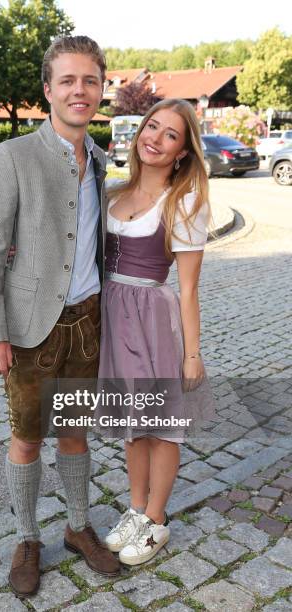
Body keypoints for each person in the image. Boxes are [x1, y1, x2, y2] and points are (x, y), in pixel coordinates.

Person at [0, 35, 120, 597]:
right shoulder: (14, 157)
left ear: (102, 88)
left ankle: (79, 528)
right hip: (31, 330)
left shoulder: (102, 161)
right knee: (27, 438)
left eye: (90, 80)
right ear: (48, 90)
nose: (80, 91)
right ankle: (27, 538)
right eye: (68, 81)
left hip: (87, 324)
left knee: (77, 434)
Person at [99, 98, 211, 566]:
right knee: (132, 423)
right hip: (112, 314)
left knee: (162, 426)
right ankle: (136, 508)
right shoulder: (113, 194)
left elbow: (187, 289)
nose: (155, 138)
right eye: (152, 126)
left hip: (152, 317)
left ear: (183, 151)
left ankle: (157, 521)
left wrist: (192, 354)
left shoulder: (183, 202)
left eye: (170, 135)